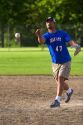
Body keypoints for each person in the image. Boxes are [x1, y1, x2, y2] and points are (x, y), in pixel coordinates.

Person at [35, 17, 81, 108]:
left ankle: (57, 101)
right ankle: (69, 91)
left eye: (50, 21)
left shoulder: (62, 33)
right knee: (59, 82)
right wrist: (39, 35)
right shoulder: (46, 35)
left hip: (65, 60)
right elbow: (41, 41)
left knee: (60, 78)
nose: (48, 23)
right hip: (55, 62)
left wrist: (76, 46)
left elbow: (70, 42)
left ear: (54, 23)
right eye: (47, 22)